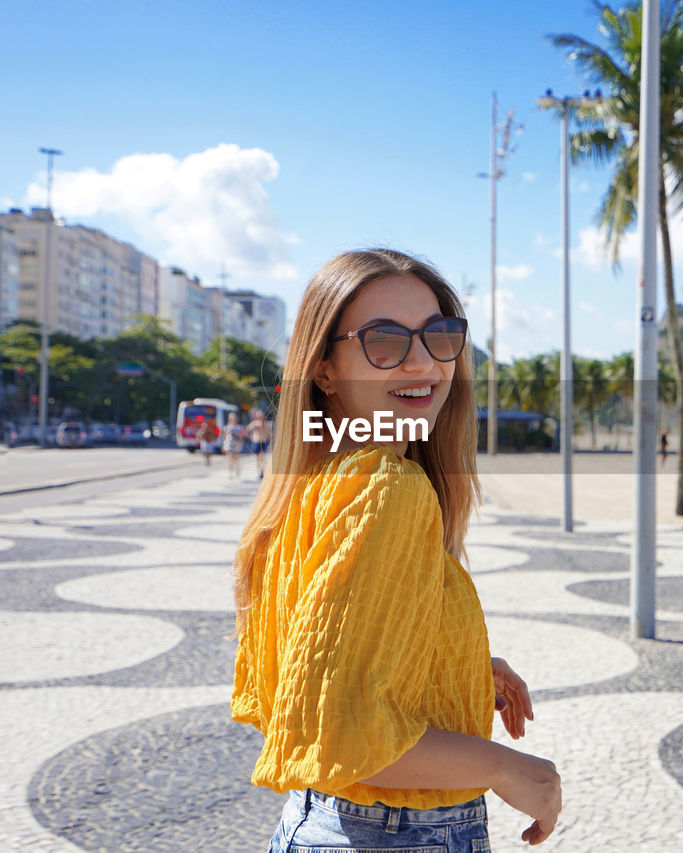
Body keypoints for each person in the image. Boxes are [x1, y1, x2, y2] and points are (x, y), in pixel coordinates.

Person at [231, 249, 561, 851]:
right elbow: (344, 733)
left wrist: (454, 665)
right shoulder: (388, 489)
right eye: (384, 339)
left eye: (440, 335)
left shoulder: (314, 483)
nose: (423, 361)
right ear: (324, 369)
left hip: (318, 823)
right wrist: (512, 769)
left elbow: (313, 671)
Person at [248, 409, 271, 480]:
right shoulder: (254, 423)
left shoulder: (265, 424)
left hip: (263, 442)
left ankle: (262, 471)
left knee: (262, 457)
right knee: (258, 458)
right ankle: (259, 471)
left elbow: (269, 433)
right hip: (256, 442)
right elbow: (248, 429)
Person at [223, 413, 245, 480]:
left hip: (236, 444)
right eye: (232, 418)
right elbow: (224, 437)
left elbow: (242, 437)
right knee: (229, 458)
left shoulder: (240, 427)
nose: (233, 420)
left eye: (234, 418)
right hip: (229, 444)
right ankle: (230, 473)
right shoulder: (226, 427)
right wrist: (223, 445)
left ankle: (237, 468)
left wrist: (241, 444)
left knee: (235, 458)